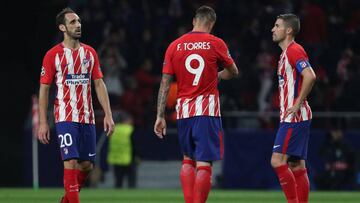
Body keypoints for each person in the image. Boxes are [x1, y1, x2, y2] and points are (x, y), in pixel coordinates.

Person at [154, 6, 239, 203]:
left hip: (183, 111)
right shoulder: (216, 43)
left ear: (194, 21)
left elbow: (165, 84)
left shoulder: (174, 46)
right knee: (204, 163)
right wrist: (217, 75)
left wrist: (159, 116)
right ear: (212, 24)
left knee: (187, 160)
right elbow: (233, 71)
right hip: (206, 110)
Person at [37, 7, 114, 203]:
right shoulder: (52, 55)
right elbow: (44, 89)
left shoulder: (90, 53)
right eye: (72, 22)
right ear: (62, 27)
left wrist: (108, 114)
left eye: (78, 21)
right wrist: (43, 122)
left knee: (87, 165)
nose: (78, 25)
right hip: (65, 116)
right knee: (70, 162)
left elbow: (99, 83)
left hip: (87, 117)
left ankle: (66, 200)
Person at [270, 14, 316, 203]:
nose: (272, 29)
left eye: (277, 25)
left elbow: (310, 75)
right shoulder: (284, 54)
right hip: (294, 116)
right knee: (296, 165)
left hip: (294, 117)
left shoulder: (293, 51)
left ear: (288, 30)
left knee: (277, 161)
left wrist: (297, 103)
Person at [107, 111, 138, 188]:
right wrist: (137, 156)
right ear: (126, 120)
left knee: (118, 182)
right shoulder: (130, 130)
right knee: (131, 182)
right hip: (129, 159)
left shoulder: (113, 130)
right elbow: (134, 145)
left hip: (116, 159)